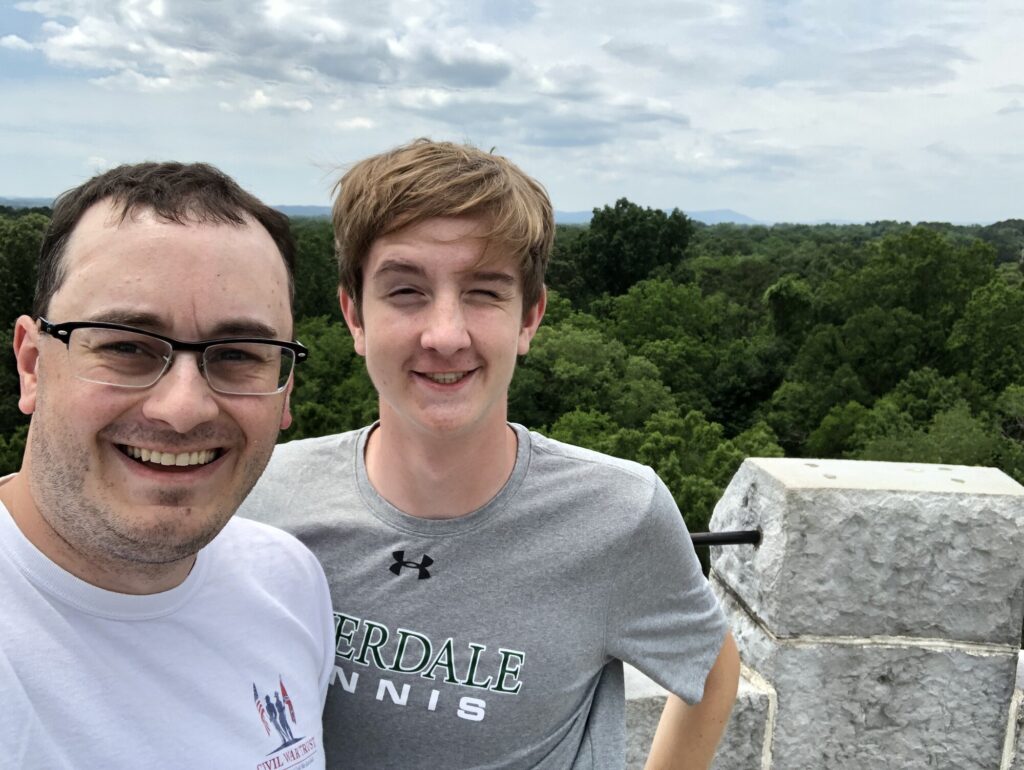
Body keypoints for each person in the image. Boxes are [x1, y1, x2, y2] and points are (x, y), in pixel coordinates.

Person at [240, 139, 740, 769]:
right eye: (406, 291)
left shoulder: (617, 514)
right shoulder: (265, 497)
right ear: (354, 316)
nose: (446, 335)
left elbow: (711, 668)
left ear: (529, 317)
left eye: (483, 292)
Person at [0, 162, 334, 768]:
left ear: (285, 391)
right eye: (126, 345)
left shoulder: (289, 581)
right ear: (32, 364)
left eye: (238, 355)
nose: (182, 410)